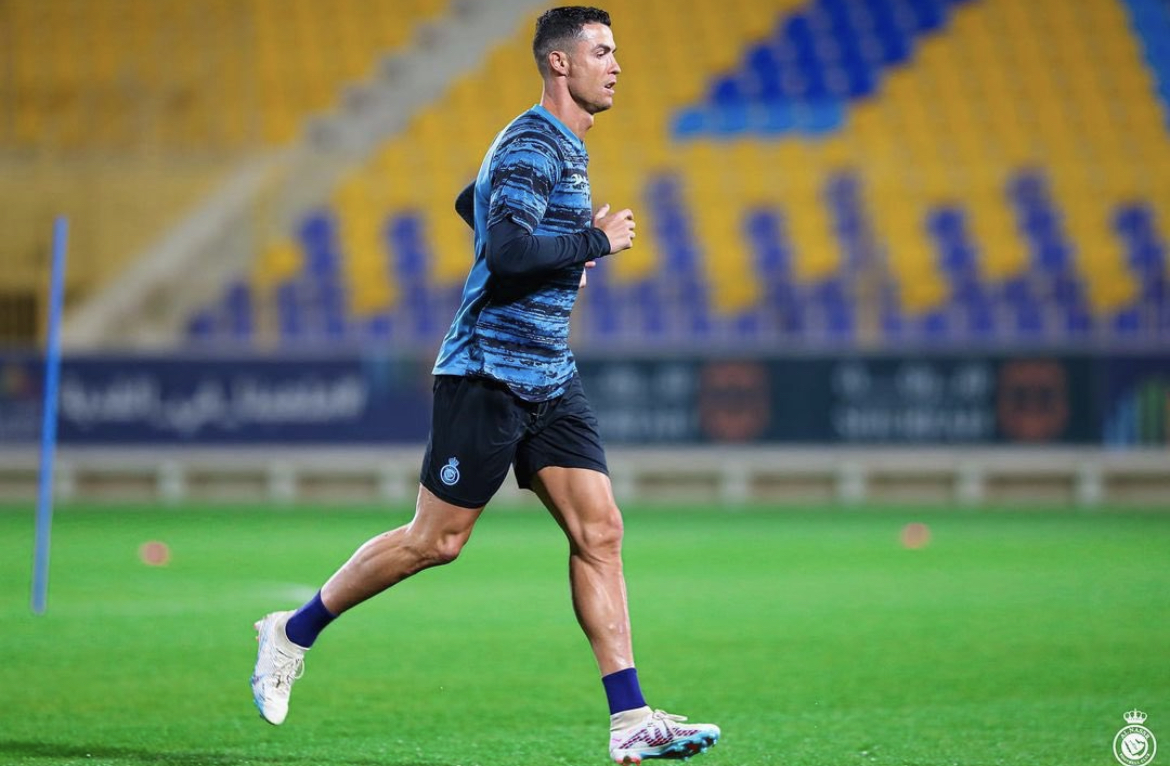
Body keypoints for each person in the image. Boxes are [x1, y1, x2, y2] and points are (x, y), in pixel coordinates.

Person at [250, 7, 720, 763]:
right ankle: (290, 632)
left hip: (550, 376)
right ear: (560, 63)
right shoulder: (535, 141)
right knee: (436, 541)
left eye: (615, 51)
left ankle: (630, 717)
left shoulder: (558, 146)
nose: (616, 65)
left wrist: (563, 250)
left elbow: (472, 202)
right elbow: (503, 248)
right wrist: (594, 241)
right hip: (488, 373)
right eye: (601, 51)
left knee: (600, 531)